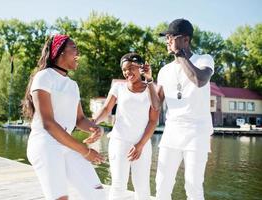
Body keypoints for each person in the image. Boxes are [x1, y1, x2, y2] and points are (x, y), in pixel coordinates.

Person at [23, 34, 106, 200]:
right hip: (45, 144)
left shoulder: (72, 85)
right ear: (60, 52)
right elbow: (48, 123)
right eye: (74, 48)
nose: (78, 53)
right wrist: (85, 151)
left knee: (97, 194)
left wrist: (94, 128)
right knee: (60, 198)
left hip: (66, 145)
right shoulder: (44, 77)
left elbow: (79, 119)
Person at [155, 19, 214, 200]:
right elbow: (156, 104)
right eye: (166, 37)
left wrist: (180, 55)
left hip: (197, 132)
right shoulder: (164, 70)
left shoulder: (204, 59)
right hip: (172, 131)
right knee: (162, 182)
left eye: (171, 37)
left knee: (193, 186)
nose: (167, 40)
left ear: (185, 39)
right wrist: (149, 82)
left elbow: (199, 80)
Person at [93, 53, 159, 200]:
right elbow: (105, 110)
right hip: (119, 141)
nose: (127, 72)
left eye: (131, 68)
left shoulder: (151, 89)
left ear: (141, 68)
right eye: (124, 69)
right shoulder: (118, 87)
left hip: (142, 144)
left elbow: (154, 119)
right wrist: (93, 123)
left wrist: (140, 145)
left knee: (142, 188)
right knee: (118, 185)